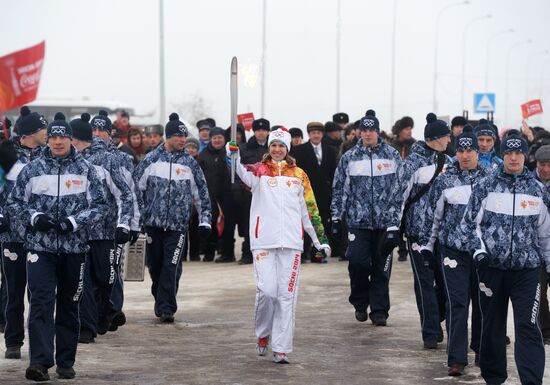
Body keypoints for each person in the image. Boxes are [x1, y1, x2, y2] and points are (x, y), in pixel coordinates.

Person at [7, 112, 106, 381]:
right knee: (40, 302)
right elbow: (14, 204)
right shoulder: (33, 170)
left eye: (63, 136)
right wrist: (34, 217)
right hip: (40, 248)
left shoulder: (86, 170)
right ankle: (39, 362)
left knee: (68, 305)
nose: (58, 141)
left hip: (74, 249)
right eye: (53, 136)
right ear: (47, 139)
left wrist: (73, 222)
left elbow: (101, 206)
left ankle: (65, 361)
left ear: (70, 139)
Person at [226, 127, 331, 364]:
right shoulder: (259, 172)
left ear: (287, 149)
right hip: (263, 241)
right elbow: (240, 171)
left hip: (292, 244)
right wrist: (232, 154)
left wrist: (320, 240)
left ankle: (281, 348)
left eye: (281, 146)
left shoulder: (299, 175)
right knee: (267, 292)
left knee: (286, 296)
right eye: (273, 145)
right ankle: (263, 333)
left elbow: (310, 210)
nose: (276, 149)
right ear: (269, 148)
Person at [461, 130, 550, 385]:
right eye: (508, 153)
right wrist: (479, 251)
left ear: (525, 156)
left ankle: (531, 381)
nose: (513, 158)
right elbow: (469, 224)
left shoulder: (537, 191)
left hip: (527, 271)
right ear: (503, 155)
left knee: (528, 326)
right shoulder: (486, 186)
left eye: (518, 153)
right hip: (492, 269)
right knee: (492, 326)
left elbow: (546, 234)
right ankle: (494, 378)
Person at [420, 126, 486, 376]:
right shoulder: (445, 180)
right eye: (460, 150)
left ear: (477, 152)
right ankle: (457, 359)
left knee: (482, 303)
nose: (465, 155)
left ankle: (481, 350)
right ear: (455, 152)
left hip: (481, 253)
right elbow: (433, 217)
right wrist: (428, 246)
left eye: (469, 150)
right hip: (452, 250)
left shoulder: (489, 179)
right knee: (457, 303)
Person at [134, 113, 211, 322]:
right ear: (168, 137)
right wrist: (137, 220)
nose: (182, 140)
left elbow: (202, 193)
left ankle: (167, 307)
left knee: (172, 264)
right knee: (157, 266)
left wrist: (205, 220)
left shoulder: (190, 163)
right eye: (178, 136)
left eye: (184, 136)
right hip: (153, 224)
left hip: (177, 226)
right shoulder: (150, 160)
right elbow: (135, 191)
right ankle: (160, 296)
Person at [331, 110, 402, 326]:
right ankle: (360, 302)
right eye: (365, 130)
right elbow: (339, 188)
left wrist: (396, 222)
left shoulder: (392, 156)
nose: (368, 134)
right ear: (359, 132)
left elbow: (400, 189)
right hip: (358, 223)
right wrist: (335, 217)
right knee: (358, 263)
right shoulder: (349, 158)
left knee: (381, 268)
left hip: (385, 223)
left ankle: (379, 310)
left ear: (378, 131)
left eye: (372, 130)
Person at [69, 113, 134, 343]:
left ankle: (106, 313)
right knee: (82, 281)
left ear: (78, 139)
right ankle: (87, 326)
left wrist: (125, 223)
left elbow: (125, 195)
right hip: (78, 233)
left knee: (106, 278)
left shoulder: (108, 160)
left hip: (105, 231)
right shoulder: (69, 161)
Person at [396, 113, 451, 349]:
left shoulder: (449, 162)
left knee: (445, 282)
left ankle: (436, 316)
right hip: (419, 232)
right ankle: (430, 331)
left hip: (445, 234)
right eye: (446, 135)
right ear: (436, 138)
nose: (450, 139)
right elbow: (398, 197)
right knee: (424, 282)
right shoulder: (412, 164)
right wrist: (394, 229)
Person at [0, 107, 47, 359]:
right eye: (43, 129)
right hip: (12, 235)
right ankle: (13, 342)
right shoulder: (6, 153)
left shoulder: (47, 156)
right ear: (30, 133)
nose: (47, 132)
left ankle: (38, 346)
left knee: (39, 294)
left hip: (40, 238)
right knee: (14, 292)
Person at [91, 110, 140, 331]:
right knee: (98, 272)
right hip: (91, 228)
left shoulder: (122, 157)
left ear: (111, 133)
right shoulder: (83, 157)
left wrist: (133, 223)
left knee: (113, 269)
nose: (97, 133)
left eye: (102, 130)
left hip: (115, 225)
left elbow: (130, 192)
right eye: (94, 129)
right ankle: (105, 310)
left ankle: (113, 308)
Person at [291, 121, 337, 262]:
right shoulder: (299, 150)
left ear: (322, 134)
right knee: (304, 224)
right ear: (309, 134)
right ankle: (303, 254)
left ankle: (318, 254)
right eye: (313, 133)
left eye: (318, 132)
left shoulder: (330, 150)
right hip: (305, 194)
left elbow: (333, 172)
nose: (316, 135)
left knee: (321, 224)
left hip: (324, 195)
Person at [236, 118, 270, 264]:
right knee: (250, 223)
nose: (261, 133)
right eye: (258, 130)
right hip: (249, 193)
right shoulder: (244, 148)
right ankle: (247, 253)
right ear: (254, 131)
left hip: (269, 194)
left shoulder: (273, 148)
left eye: (263, 130)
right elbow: (238, 171)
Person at [197, 127, 230, 262]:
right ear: (210, 139)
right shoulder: (203, 154)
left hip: (226, 195)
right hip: (209, 195)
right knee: (210, 223)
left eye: (219, 138)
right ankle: (209, 252)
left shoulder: (229, 153)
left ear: (224, 139)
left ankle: (227, 252)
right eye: (214, 138)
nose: (217, 140)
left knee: (227, 224)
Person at [533, 144, 550, 345]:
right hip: (537, 247)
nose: (546, 169)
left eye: (549, 165)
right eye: (542, 164)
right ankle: (545, 330)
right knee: (539, 291)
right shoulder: (529, 184)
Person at [184, 137, 200, 261]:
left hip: (196, 199)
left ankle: (194, 254)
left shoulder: (200, 163)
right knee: (183, 229)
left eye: (193, 148)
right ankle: (182, 254)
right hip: (183, 200)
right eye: (188, 147)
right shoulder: (181, 161)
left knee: (194, 229)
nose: (190, 150)